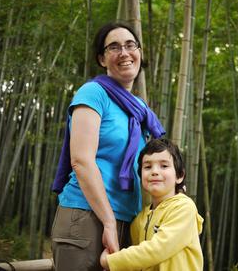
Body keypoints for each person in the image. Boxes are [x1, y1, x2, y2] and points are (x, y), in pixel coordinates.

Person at [51, 22, 165, 271]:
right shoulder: (93, 93)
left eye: (130, 45)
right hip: (86, 216)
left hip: (126, 218)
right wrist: (109, 222)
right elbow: (81, 161)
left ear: (139, 52)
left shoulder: (139, 110)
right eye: (114, 47)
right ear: (102, 59)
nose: (124, 53)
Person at [100, 138, 204, 271]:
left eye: (164, 166)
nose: (155, 171)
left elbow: (158, 249)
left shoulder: (184, 208)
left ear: (180, 176)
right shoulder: (139, 220)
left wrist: (110, 261)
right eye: (148, 167)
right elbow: (139, 263)